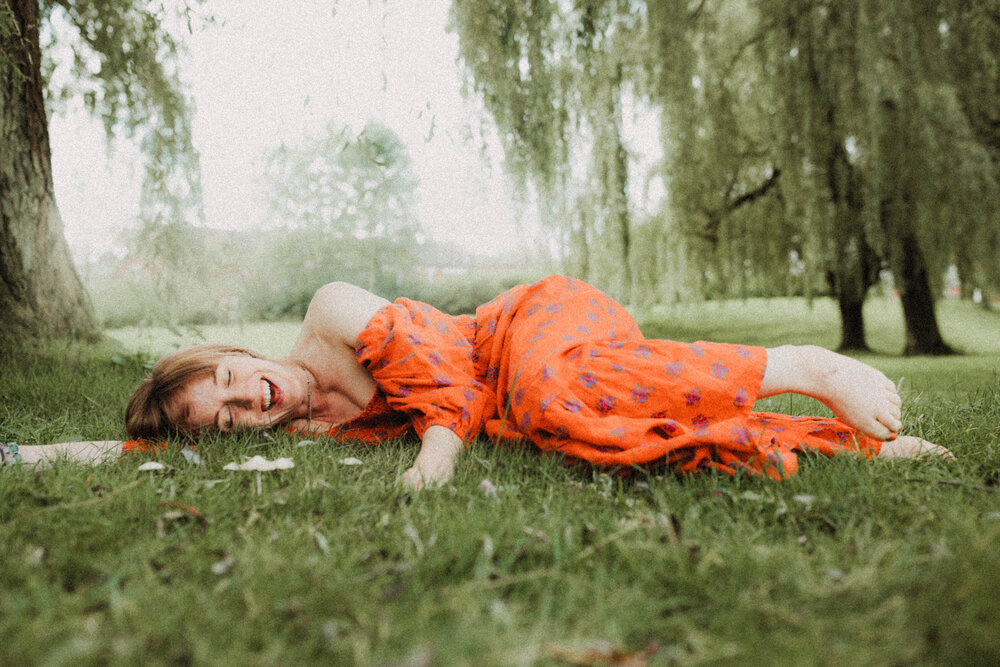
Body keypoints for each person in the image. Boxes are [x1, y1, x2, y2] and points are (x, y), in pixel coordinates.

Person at [8, 276, 950, 485]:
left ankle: (800, 367)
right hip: (529, 399)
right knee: (593, 436)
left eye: (226, 377)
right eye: (222, 421)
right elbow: (145, 450)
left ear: (237, 352)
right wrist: (26, 449)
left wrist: (438, 452)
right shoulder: (299, 432)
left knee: (543, 399)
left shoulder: (333, 312)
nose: (245, 399)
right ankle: (858, 443)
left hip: (527, 328)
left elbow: (440, 372)